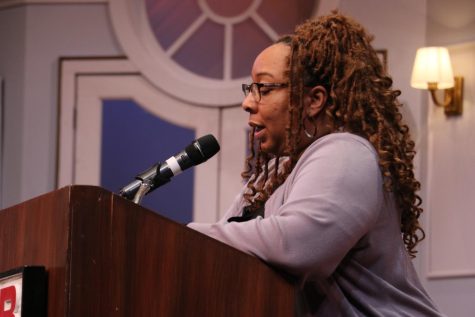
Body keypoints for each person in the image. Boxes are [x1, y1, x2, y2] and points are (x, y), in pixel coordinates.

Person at [188, 12, 444, 316]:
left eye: (264, 88)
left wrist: (189, 235)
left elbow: (298, 245)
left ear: (314, 100)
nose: (248, 101)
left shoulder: (348, 153)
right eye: (251, 88)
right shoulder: (271, 175)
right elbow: (226, 245)